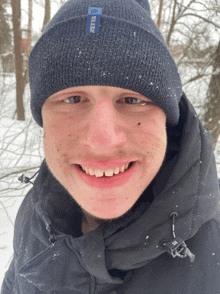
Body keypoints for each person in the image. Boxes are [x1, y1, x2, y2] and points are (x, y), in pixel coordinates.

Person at [2, 0, 220, 293]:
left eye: (132, 100)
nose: (102, 141)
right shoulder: (36, 214)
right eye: (72, 99)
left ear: (166, 120)